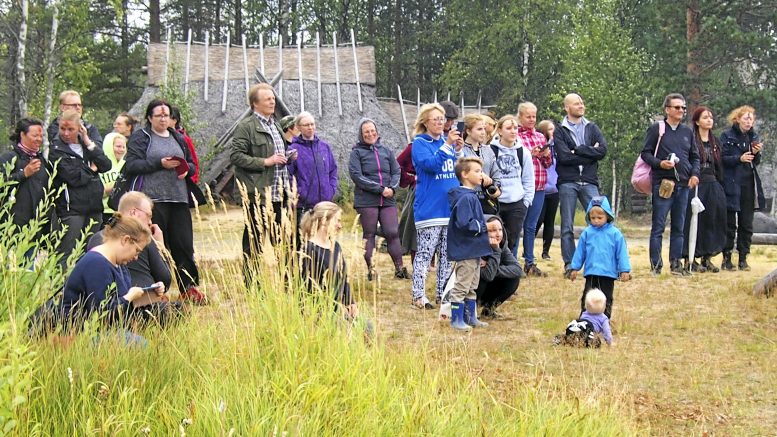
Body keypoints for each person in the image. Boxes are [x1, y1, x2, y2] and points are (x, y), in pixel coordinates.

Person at [124, 99, 205, 304]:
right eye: (158, 115)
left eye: (166, 115)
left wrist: (186, 169)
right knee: (158, 246)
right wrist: (159, 164)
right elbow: (132, 165)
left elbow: (192, 166)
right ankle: (159, 290)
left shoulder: (178, 137)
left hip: (178, 199)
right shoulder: (142, 138)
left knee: (184, 245)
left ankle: (189, 287)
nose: (163, 118)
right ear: (150, 117)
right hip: (152, 201)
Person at [59, 213, 164, 339]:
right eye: (137, 251)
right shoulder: (96, 263)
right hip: (78, 334)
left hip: (101, 329)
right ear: (125, 240)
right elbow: (101, 315)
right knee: (140, 344)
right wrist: (128, 298)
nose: (136, 257)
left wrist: (150, 292)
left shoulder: (119, 264)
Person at [229, 83, 294, 281]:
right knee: (254, 242)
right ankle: (252, 284)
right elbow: (236, 156)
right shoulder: (246, 127)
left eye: (273, 98)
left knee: (282, 241)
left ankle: (287, 281)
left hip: (279, 194)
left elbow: (277, 155)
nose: (272, 101)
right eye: (268, 99)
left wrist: (287, 157)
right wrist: (265, 161)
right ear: (255, 104)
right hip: (258, 194)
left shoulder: (275, 124)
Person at [640, 93, 700, 276]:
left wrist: (695, 174)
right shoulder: (656, 129)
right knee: (658, 226)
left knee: (679, 226)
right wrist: (660, 163)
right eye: (677, 107)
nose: (681, 110)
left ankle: (676, 264)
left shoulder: (687, 132)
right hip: (663, 184)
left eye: (683, 107)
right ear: (667, 109)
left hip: (683, 185)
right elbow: (645, 153)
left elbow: (695, 156)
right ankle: (656, 265)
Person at [410, 103, 462, 309]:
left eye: (442, 119)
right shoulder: (420, 143)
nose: (440, 122)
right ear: (425, 122)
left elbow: (453, 172)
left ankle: (443, 293)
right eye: (435, 119)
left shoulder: (446, 143)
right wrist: (448, 146)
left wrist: (456, 151)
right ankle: (418, 295)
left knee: (446, 255)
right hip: (430, 210)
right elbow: (431, 166)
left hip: (448, 208)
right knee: (425, 254)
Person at [49, 110, 112, 270]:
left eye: (70, 129)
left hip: (94, 208)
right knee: (66, 254)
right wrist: (91, 169)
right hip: (72, 209)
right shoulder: (56, 148)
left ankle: (86, 292)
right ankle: (60, 292)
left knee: (90, 253)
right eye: (62, 128)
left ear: (80, 129)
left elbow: (106, 165)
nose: (65, 133)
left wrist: (88, 143)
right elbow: (73, 177)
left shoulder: (87, 145)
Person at [554, 93, 607, 278]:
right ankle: (570, 264)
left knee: (600, 220)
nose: (581, 106)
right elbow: (564, 157)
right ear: (567, 107)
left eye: (582, 103)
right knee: (567, 225)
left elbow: (602, 151)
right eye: (577, 104)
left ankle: (598, 261)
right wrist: (590, 151)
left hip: (590, 181)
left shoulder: (592, 127)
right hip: (568, 182)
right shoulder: (560, 130)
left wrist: (579, 149)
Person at [349, 118, 408, 280]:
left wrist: (392, 188)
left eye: (372, 131)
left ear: (377, 132)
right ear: (361, 135)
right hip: (366, 200)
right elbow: (357, 176)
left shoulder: (386, 151)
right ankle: (371, 270)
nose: (370, 134)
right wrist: (381, 190)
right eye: (366, 132)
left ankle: (400, 268)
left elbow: (396, 171)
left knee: (392, 232)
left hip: (388, 198)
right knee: (369, 234)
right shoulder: (356, 153)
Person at [88, 191, 172, 292]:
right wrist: (160, 245)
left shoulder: (96, 238)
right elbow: (165, 280)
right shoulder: (145, 241)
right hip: (143, 302)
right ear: (134, 212)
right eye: (148, 216)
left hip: (108, 301)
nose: (150, 222)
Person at [446, 157, 492, 331]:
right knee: (462, 285)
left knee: (472, 285)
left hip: (474, 250)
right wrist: (483, 226)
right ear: (465, 174)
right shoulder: (465, 198)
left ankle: (470, 317)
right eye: (477, 171)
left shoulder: (472, 196)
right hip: (465, 250)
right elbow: (465, 223)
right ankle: (456, 319)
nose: (481, 175)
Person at [568, 197, 630, 319]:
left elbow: (621, 253)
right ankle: (584, 321)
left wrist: (624, 270)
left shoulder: (615, 234)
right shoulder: (587, 233)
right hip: (591, 273)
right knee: (588, 297)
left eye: (599, 218)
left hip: (608, 274)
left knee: (606, 298)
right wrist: (574, 268)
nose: (596, 221)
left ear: (607, 216)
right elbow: (580, 252)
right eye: (593, 218)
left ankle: (604, 321)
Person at [0, 118, 53, 259]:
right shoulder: (9, 157)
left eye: (41, 136)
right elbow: (1, 184)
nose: (39, 139)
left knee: (28, 272)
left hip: (36, 228)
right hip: (11, 228)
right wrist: (23, 174)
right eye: (35, 135)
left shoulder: (43, 162)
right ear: (22, 135)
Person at [721, 105, 765, 271]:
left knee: (747, 224)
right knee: (730, 223)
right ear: (737, 119)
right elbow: (723, 159)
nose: (749, 121)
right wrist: (739, 158)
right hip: (731, 183)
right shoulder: (727, 135)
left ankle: (743, 258)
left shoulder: (754, 136)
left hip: (748, 183)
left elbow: (756, 162)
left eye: (751, 119)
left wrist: (756, 153)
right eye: (745, 118)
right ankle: (726, 257)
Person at [682, 107, 726, 273]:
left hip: (712, 184)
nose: (709, 120)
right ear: (697, 121)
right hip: (695, 184)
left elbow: (719, 166)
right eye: (705, 117)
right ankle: (689, 258)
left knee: (711, 221)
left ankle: (706, 258)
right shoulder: (690, 140)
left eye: (711, 117)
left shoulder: (715, 142)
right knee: (692, 221)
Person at [299, 201, 359, 320]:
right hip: (321, 315)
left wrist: (350, 302)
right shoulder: (309, 250)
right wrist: (337, 310)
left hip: (341, 309)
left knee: (367, 328)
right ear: (323, 221)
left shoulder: (335, 246)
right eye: (337, 220)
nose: (340, 225)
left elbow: (343, 279)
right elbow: (310, 291)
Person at [490, 115, 534, 257]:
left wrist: (526, 201)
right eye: (509, 128)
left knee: (512, 238)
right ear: (500, 131)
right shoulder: (491, 150)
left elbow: (528, 179)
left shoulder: (523, 152)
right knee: (494, 237)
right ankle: (493, 267)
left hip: (517, 202)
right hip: (496, 202)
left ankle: (508, 267)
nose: (513, 131)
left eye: (515, 128)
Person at [516, 102, 552, 276]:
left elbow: (548, 163)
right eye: (528, 116)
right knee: (515, 226)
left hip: (539, 186)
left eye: (534, 116)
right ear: (520, 117)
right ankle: (512, 262)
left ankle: (530, 262)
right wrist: (530, 154)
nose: (531, 120)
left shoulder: (540, 136)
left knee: (531, 226)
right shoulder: (515, 136)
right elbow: (515, 160)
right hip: (521, 187)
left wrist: (545, 156)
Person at [288, 111, 338, 225]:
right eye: (306, 125)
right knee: (304, 240)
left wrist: (331, 189)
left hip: (325, 203)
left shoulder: (324, 147)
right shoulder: (293, 149)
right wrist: (300, 192)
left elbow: (333, 170)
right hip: (304, 205)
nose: (310, 127)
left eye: (312, 124)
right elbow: (288, 175)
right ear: (299, 127)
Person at [477, 215, 523, 319]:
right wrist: (495, 252)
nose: (498, 234)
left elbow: (518, 270)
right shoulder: (474, 246)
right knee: (482, 276)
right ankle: (470, 310)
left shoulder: (502, 245)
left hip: (489, 283)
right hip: (468, 291)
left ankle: (489, 309)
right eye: (492, 230)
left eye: (500, 229)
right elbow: (487, 276)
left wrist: (494, 268)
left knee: (513, 279)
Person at [461, 114, 500, 215]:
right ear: (468, 131)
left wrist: (495, 188)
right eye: (479, 129)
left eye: (484, 129)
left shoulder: (488, 150)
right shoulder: (460, 151)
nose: (483, 132)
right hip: (467, 200)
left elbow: (496, 174)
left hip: (487, 200)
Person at [535, 120, 559, 261]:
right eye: (550, 129)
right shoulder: (539, 147)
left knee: (550, 221)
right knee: (538, 220)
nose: (553, 132)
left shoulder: (557, 148)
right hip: (541, 188)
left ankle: (546, 252)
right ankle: (528, 249)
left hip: (554, 189)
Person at [396, 141, 417, 262]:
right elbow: (397, 164)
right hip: (419, 190)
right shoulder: (415, 146)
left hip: (438, 192)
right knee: (413, 226)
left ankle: (432, 261)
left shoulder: (446, 142)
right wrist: (411, 178)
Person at [100, 134, 127, 225]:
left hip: (121, 213)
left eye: (124, 147)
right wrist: (113, 188)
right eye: (118, 146)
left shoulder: (126, 165)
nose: (122, 150)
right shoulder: (100, 165)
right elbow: (94, 192)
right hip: (103, 212)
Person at [170, 106, 200, 184]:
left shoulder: (184, 139)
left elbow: (194, 161)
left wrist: (192, 180)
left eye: (167, 117)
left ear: (174, 120)